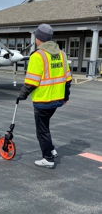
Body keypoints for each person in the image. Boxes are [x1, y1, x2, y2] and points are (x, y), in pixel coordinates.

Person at [18, 23, 72, 169]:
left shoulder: (38, 56)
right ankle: (51, 150)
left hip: (43, 101)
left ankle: (47, 158)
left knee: (42, 131)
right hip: (57, 100)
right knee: (45, 127)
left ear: (39, 38)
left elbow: (31, 82)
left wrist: (21, 96)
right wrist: (65, 96)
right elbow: (68, 79)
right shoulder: (62, 54)